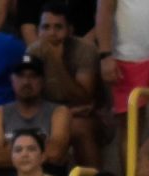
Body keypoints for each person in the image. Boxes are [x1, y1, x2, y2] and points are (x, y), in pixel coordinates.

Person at [26, 1, 103, 166]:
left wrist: (55, 62)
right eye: (45, 27)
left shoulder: (85, 50)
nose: (51, 33)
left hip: (92, 115)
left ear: (70, 30)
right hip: (53, 113)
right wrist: (64, 114)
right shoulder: (32, 52)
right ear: (38, 30)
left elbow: (83, 98)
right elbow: (28, 96)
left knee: (78, 127)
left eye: (58, 27)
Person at [0, 56, 69, 176]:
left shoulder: (59, 112)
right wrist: (41, 152)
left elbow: (56, 153)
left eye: (33, 76)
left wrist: (11, 152)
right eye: (20, 76)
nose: (26, 82)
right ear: (12, 80)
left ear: (43, 81)